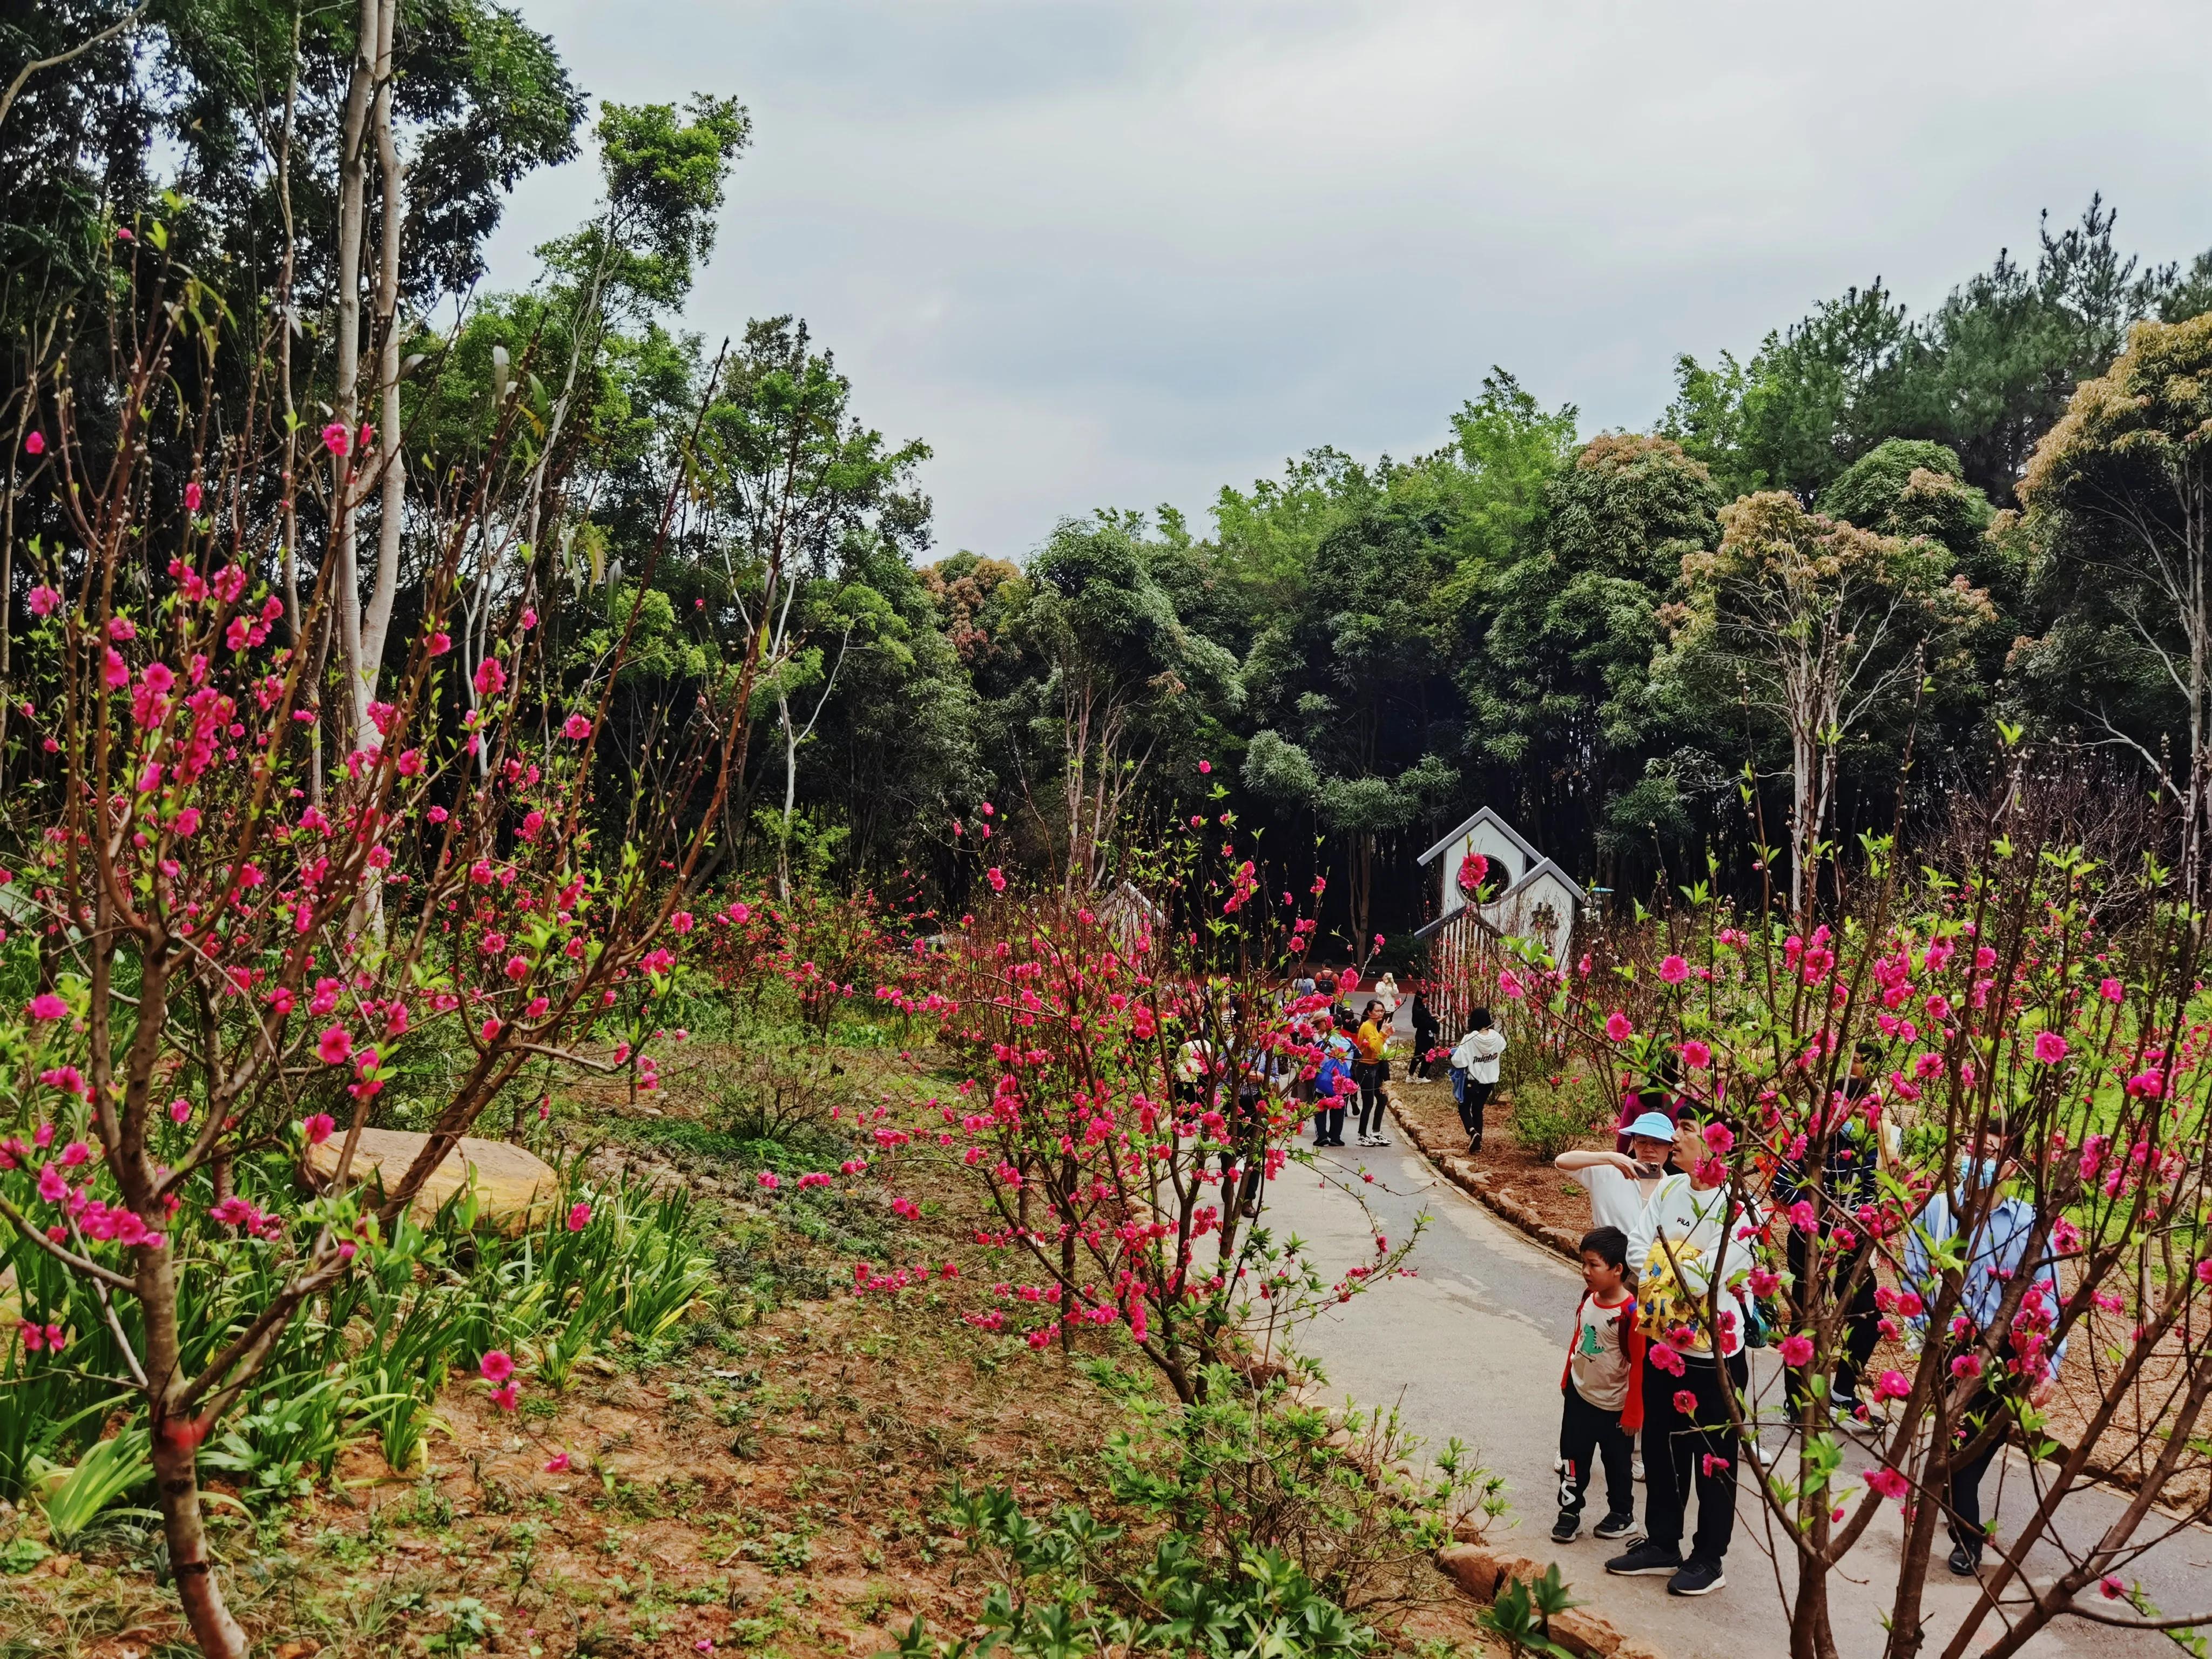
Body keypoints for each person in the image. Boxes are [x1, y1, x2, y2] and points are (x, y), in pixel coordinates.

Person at [1904, 1112, 2068, 1577]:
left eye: (1994, 1155)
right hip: (1951, 1347)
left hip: (2008, 1353)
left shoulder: (2030, 1224)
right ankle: (1967, 1529)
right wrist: (1924, 1338)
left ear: (2013, 1168)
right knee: (1953, 1443)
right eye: (1975, 1149)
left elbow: (2051, 1295)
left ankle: (1965, 1527)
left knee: (1976, 1446)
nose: (1980, 1161)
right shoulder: (1938, 1211)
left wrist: (2049, 1364)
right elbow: (1913, 1276)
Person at [1606, 1110, 1762, 1599]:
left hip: (1713, 1355)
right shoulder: (1671, 1189)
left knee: (1712, 1458)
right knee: (1660, 1448)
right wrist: (1672, 1260)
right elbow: (1637, 1248)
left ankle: (1709, 1557)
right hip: (1661, 1348)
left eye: (1688, 1132)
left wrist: (1667, 1259)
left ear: (1717, 1146)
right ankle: (1663, 1542)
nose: (1675, 1139)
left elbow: (1712, 1278)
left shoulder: (1740, 1208)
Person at [1775, 1042, 1892, 1426]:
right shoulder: (1811, 1137)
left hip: (1851, 1240)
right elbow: (1781, 1185)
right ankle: (1796, 1404)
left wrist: (1870, 1220)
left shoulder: (1866, 1142)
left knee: (1870, 1315)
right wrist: (1822, 1211)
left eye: (1866, 1114)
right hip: (1809, 1239)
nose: (1860, 1121)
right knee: (1804, 1321)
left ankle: (1842, 1393)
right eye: (1855, 1113)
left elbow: (1868, 1189)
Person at [1554, 1226, 1645, 1545]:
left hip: (1614, 1407)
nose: (1585, 1271)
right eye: (1584, 1263)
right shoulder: (1588, 1299)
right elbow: (1578, 1340)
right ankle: (1569, 1512)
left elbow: (1639, 1366)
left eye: (1594, 1265)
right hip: (1580, 1396)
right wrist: (1568, 1377)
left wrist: (1634, 1414)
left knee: (1617, 1465)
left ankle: (1622, 1515)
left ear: (1618, 1269)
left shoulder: (1631, 1313)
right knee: (1572, 1458)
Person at [1557, 1111, 1676, 1233]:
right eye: (1642, 1141)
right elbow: (1562, 1162)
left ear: (1671, 1146)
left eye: (1657, 1143)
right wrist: (1610, 1158)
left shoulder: (1674, 1188)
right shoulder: (1610, 1172)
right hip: (1608, 1250)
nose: (1648, 1149)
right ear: (1634, 1143)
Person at [1448, 1010, 1506, 1152]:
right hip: (1490, 1081)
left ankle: (1472, 1131)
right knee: (1478, 1109)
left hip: (1472, 1081)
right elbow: (1503, 1047)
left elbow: (1459, 1061)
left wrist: (1452, 1056)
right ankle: (1477, 1145)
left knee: (1464, 1107)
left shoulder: (1470, 1039)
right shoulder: (1496, 1037)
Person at [1351, 1000, 1391, 1148]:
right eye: (1378, 1011)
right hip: (1366, 1067)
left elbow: (1380, 1049)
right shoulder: (1367, 1027)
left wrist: (1385, 1035)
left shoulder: (1374, 1026)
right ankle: (1362, 1135)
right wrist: (1383, 1034)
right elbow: (1375, 1047)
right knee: (1368, 1103)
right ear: (1369, 1012)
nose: (1381, 1013)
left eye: (1382, 1011)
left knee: (1382, 1098)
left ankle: (1376, 1132)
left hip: (1375, 1067)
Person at [1311, 1030, 1355, 1148]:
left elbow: (1312, 1059)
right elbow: (1359, 1056)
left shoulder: (1322, 1043)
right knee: (1339, 1108)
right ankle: (1335, 1138)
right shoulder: (1349, 1044)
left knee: (1320, 1108)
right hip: (1341, 1083)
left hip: (1323, 1083)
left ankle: (1322, 1137)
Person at [1410, 992, 1440, 1081]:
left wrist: (1432, 1017)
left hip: (1423, 1035)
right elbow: (1425, 1023)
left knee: (1418, 1056)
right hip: (1424, 1036)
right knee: (1429, 1055)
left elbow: (1425, 1020)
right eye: (1425, 998)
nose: (1427, 999)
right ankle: (1421, 1077)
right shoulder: (1419, 1010)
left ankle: (1411, 1075)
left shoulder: (1420, 1008)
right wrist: (1437, 1022)